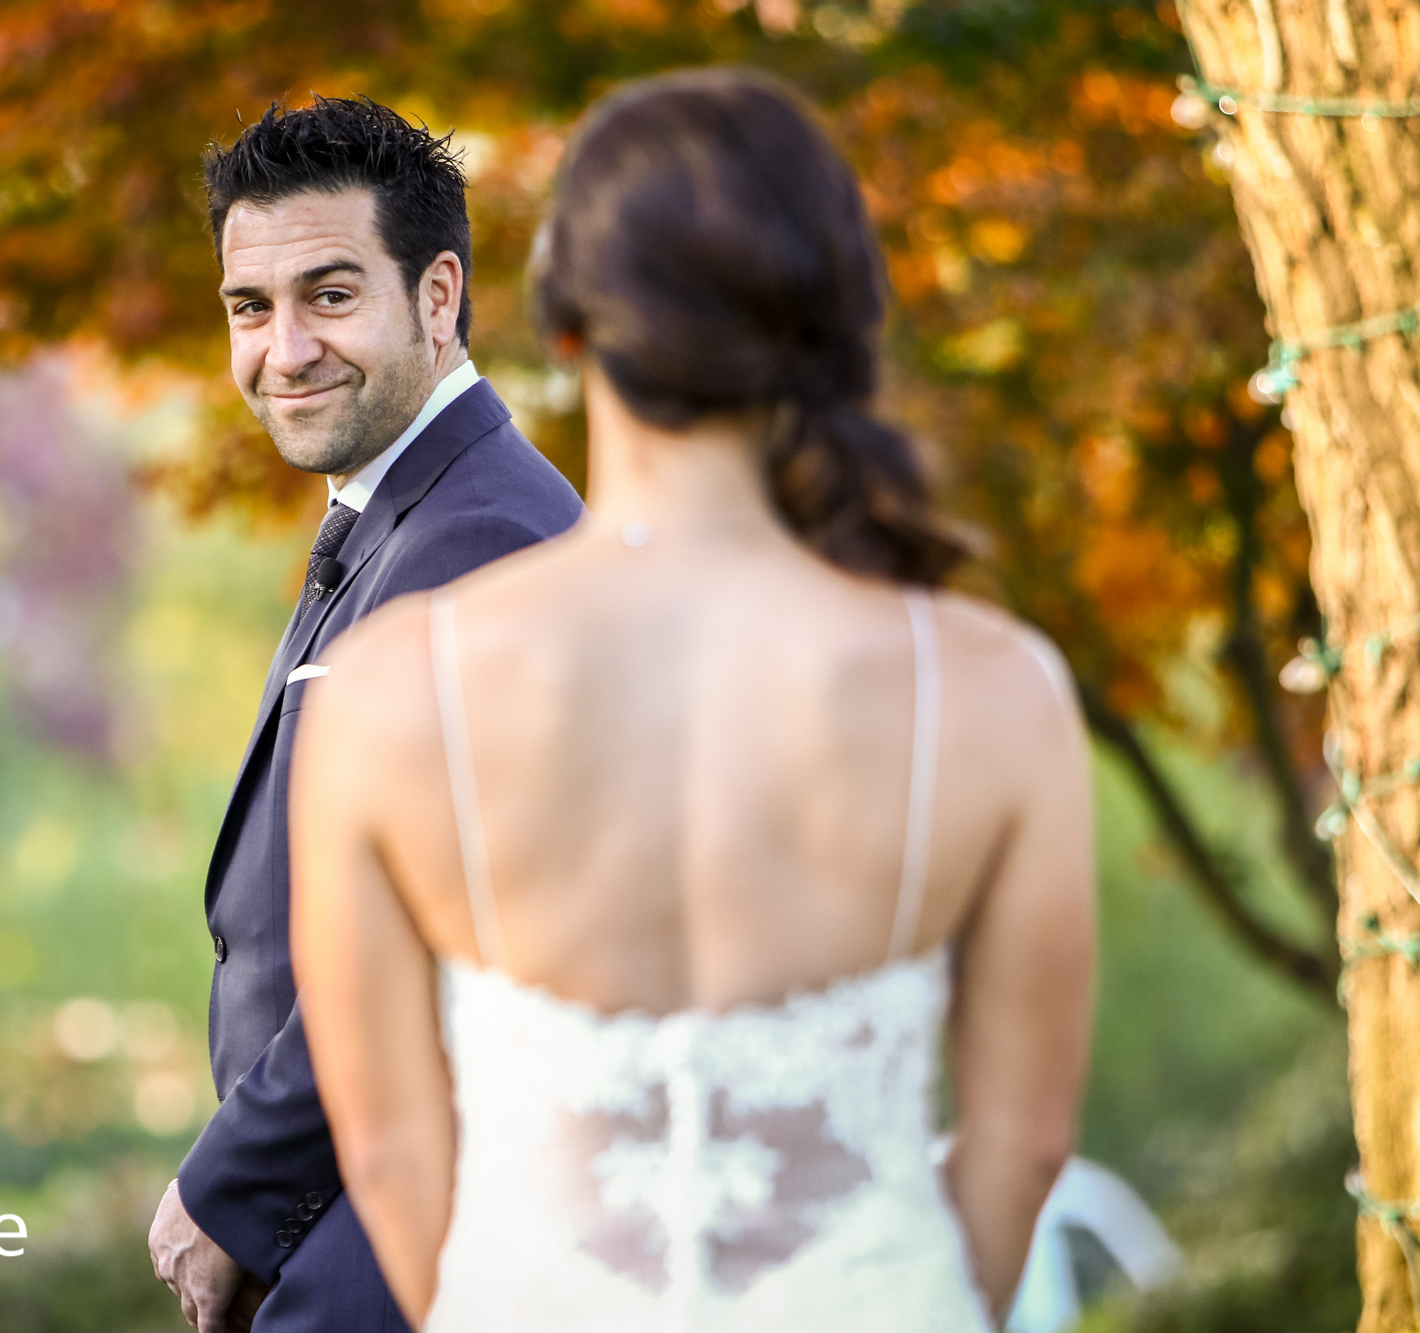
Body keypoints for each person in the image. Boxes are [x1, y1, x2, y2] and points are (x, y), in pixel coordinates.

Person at [290, 68, 1096, 1331]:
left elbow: (389, 1161)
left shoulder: (395, 693)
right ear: (832, 321)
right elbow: (1021, 1149)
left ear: (562, 325)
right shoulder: (992, 692)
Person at [147, 97, 585, 1333]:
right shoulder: (398, 517)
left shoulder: (481, 536)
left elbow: (421, 946)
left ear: (437, 295)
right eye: (249, 308)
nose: (282, 349)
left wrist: (229, 1190)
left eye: (328, 295)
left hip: (403, 1260)